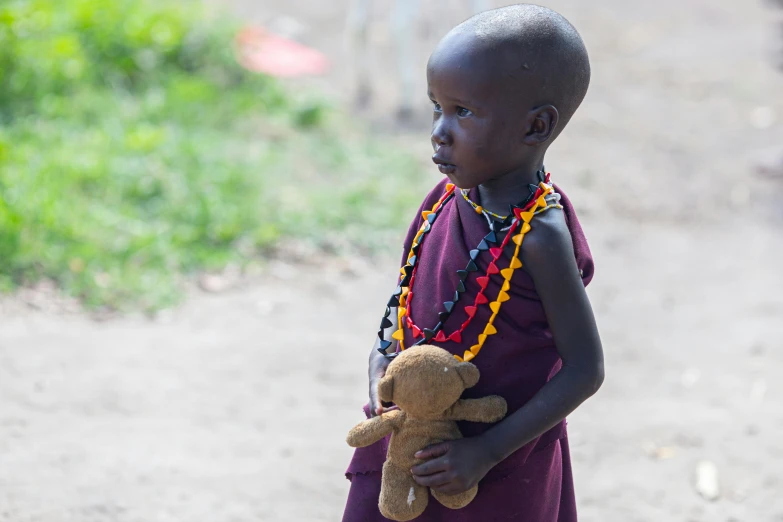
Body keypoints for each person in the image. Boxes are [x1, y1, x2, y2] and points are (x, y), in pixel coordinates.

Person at [342, 4, 604, 521]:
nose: (439, 130)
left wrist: (484, 452)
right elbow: (405, 299)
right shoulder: (442, 199)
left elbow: (584, 369)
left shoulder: (539, 236)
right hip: (412, 438)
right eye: (436, 107)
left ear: (536, 126)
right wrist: (383, 355)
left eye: (462, 112)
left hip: (494, 459)